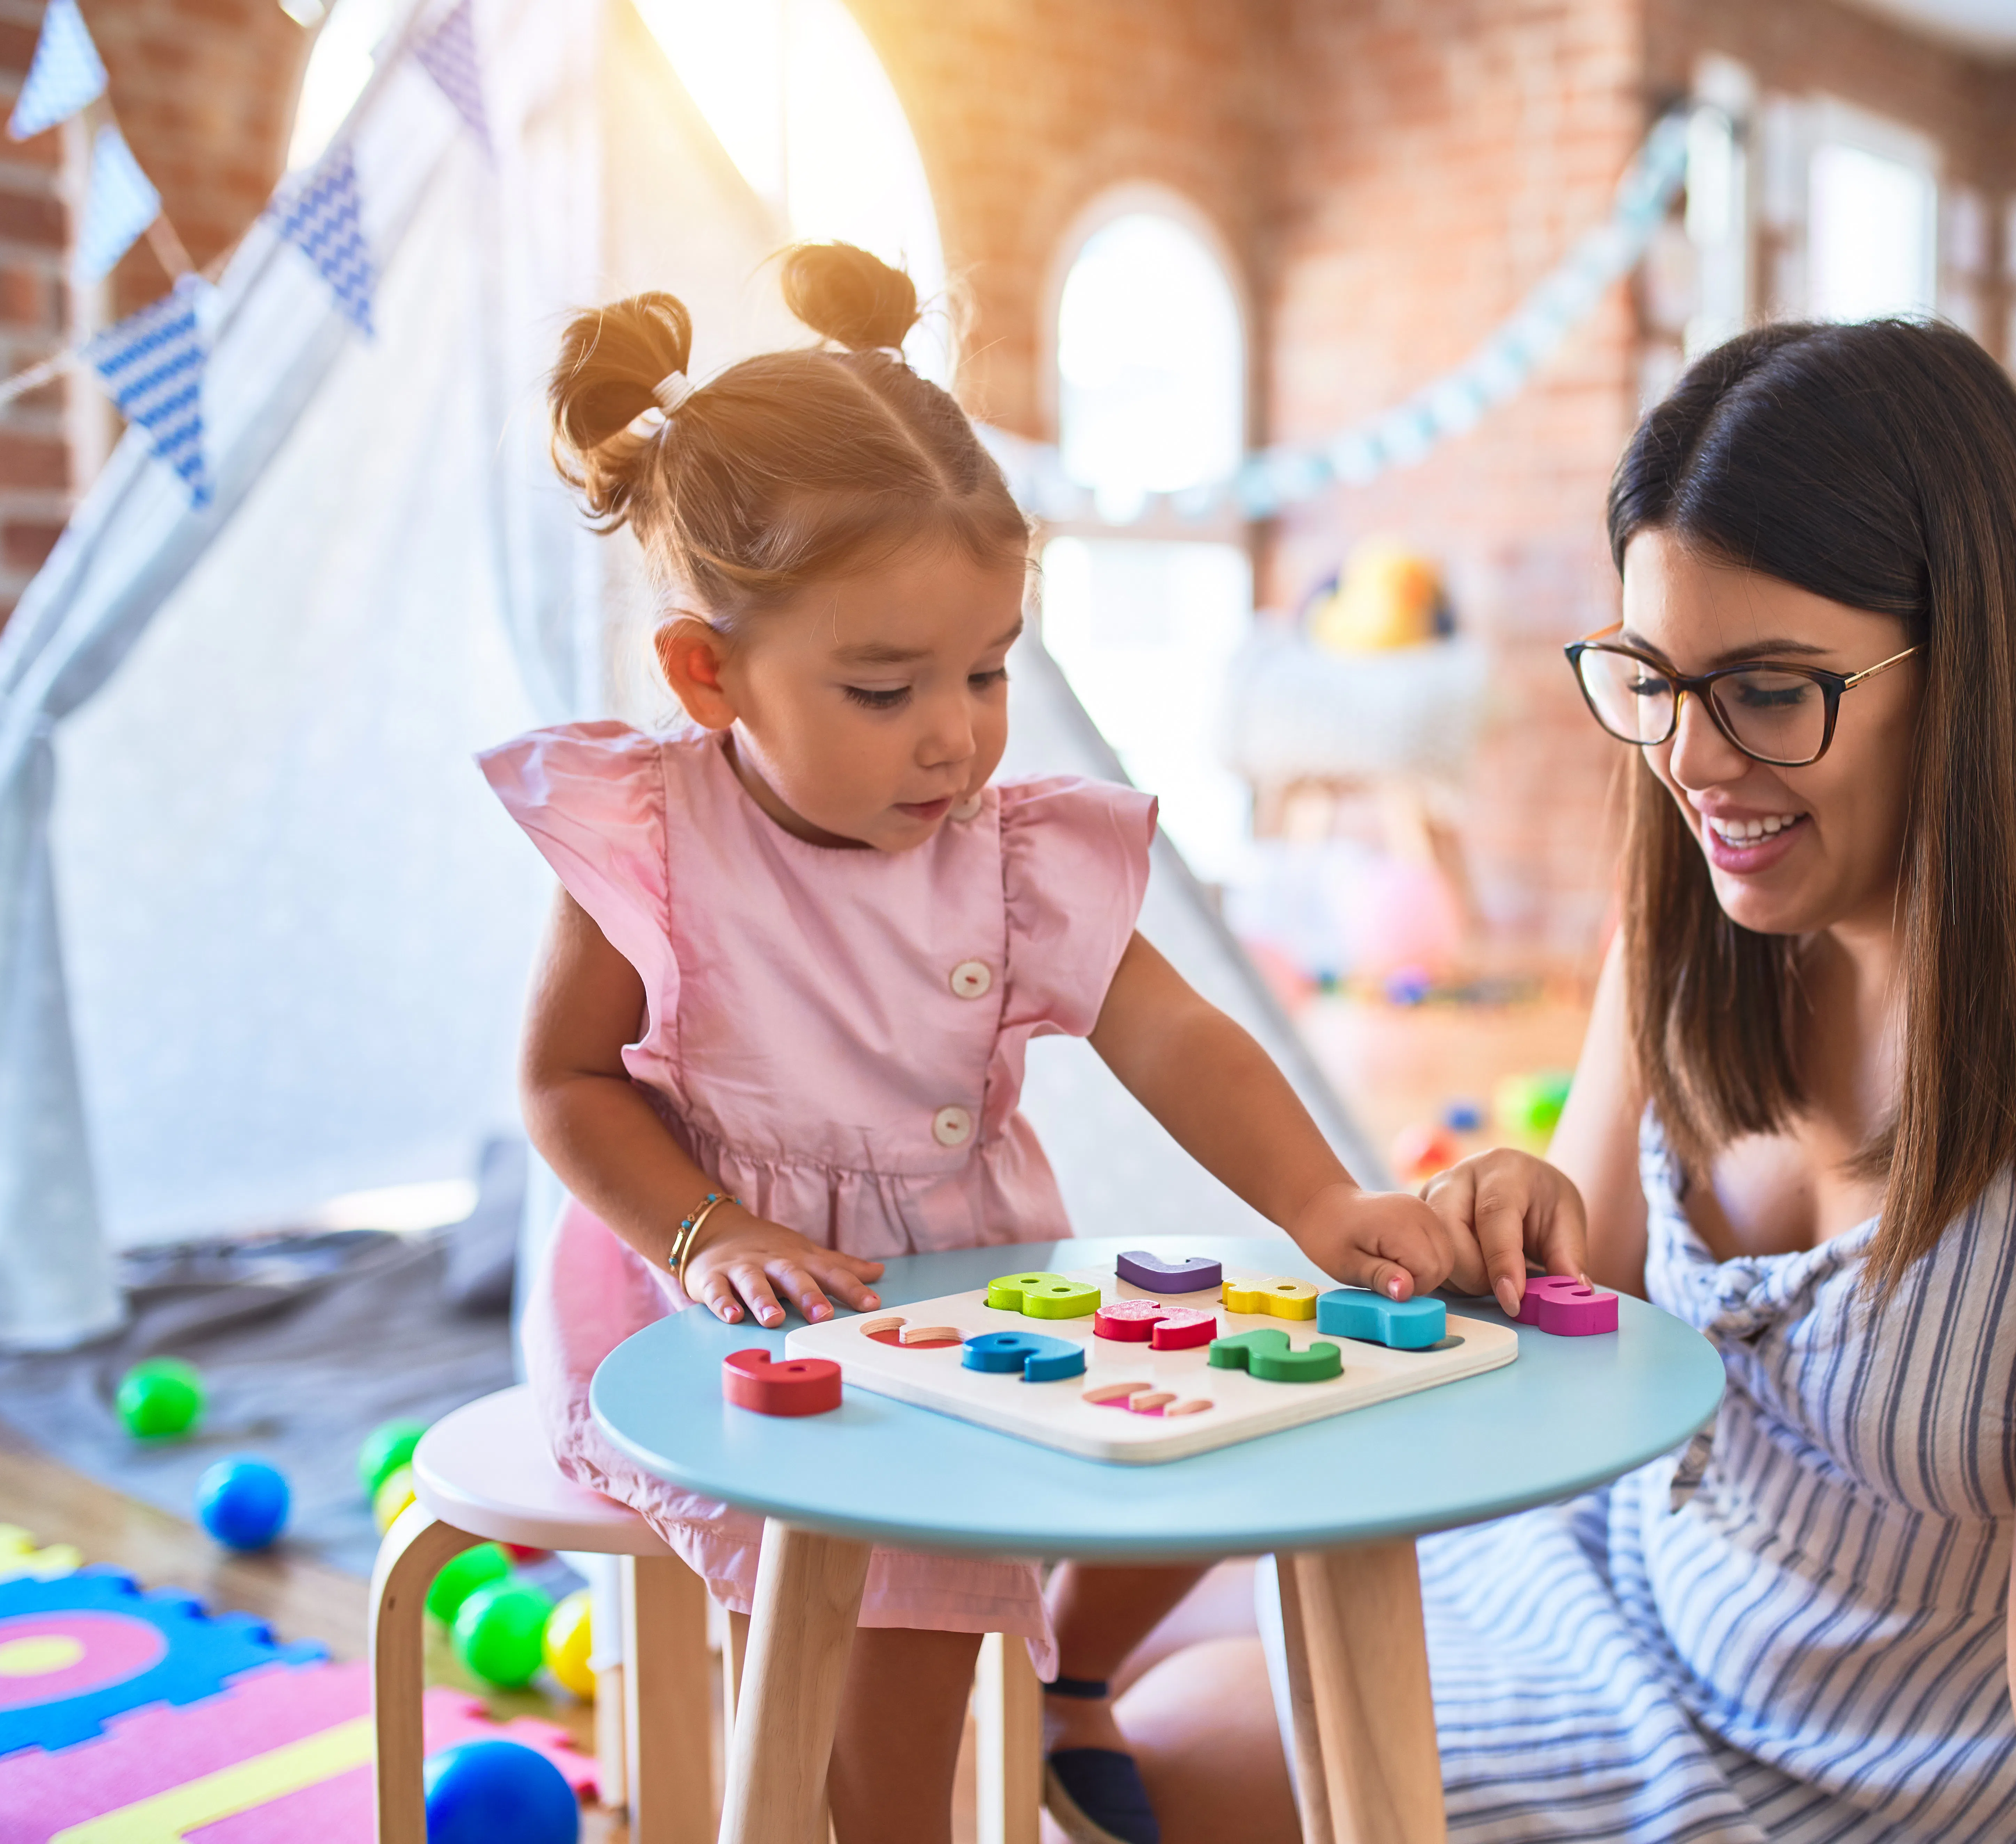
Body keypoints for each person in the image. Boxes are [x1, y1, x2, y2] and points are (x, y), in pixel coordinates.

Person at [1121, 318, 2016, 1843]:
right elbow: (1586, 1324)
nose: (1689, 760)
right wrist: (1512, 1220)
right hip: (1607, 1589)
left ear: (1969, 661)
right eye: (1651, 679)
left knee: (1173, 1742)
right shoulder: (1699, 904)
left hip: (1842, 1778)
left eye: (1765, 688)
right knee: (1100, 1652)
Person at [486, 243, 1576, 1844]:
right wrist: (708, 1232)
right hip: (713, 1297)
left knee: (918, 1680)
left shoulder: (1006, 850)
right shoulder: (656, 832)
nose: (955, 732)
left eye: (987, 671)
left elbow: (1174, 1033)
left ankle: (968, 1758)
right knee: (789, 1683)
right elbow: (563, 1082)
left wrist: (1320, 1200)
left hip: (950, 1289)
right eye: (883, 688)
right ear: (709, 674)